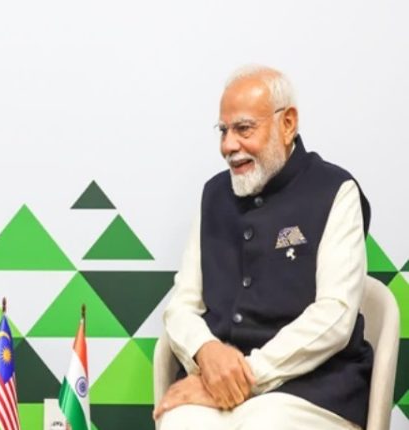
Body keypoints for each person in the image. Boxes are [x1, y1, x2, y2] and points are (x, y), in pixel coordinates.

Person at [153, 65, 372, 429]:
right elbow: (181, 306)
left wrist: (245, 377)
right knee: (180, 422)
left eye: (243, 129)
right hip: (215, 384)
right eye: (223, 131)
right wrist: (206, 352)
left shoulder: (335, 191)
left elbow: (335, 315)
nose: (228, 146)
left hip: (312, 390)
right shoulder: (213, 195)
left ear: (287, 124)